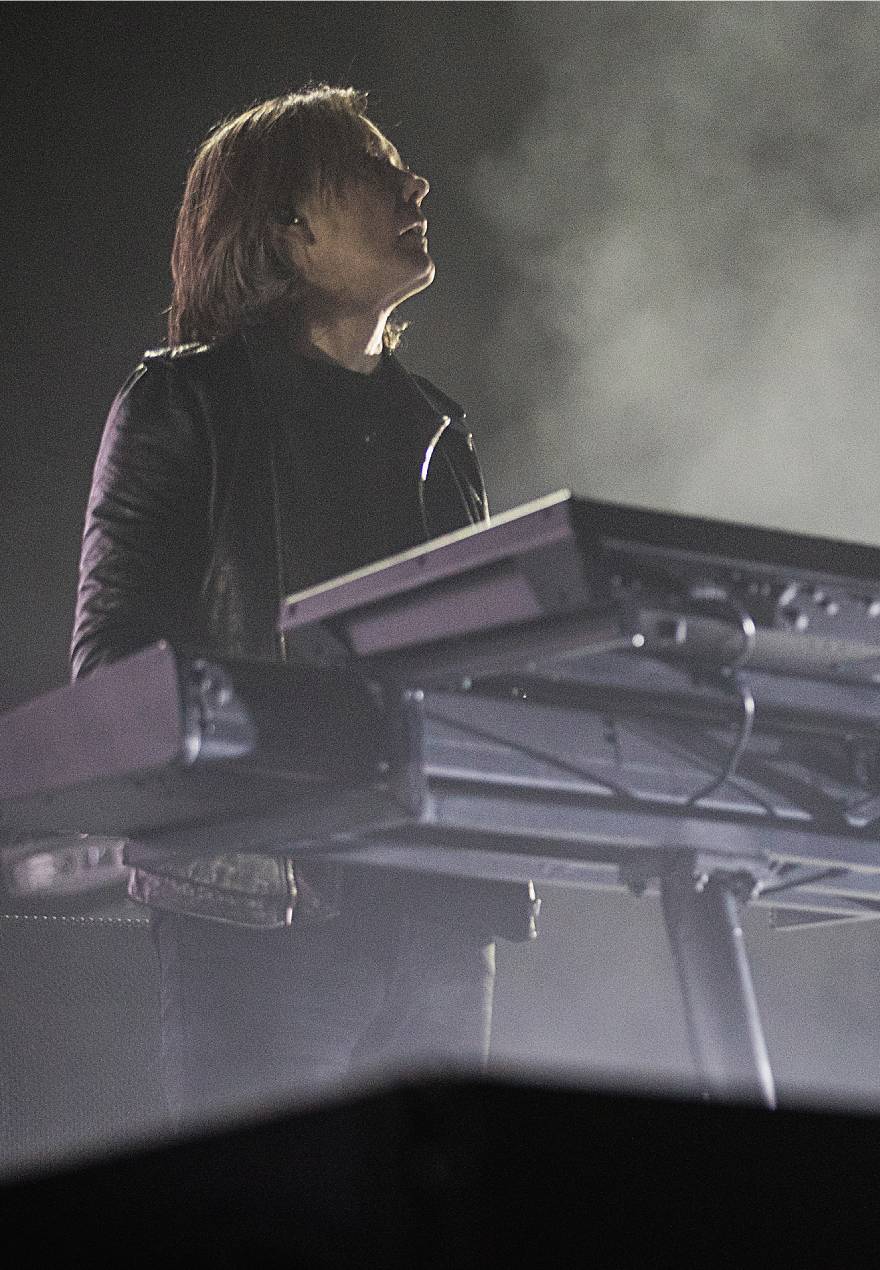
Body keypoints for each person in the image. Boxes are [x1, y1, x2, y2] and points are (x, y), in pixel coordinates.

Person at [71, 85, 534, 1122]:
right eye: (373, 168)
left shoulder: (439, 430)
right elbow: (112, 668)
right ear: (286, 225)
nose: (415, 185)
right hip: (263, 912)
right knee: (273, 1203)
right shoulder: (184, 400)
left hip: (439, 914)